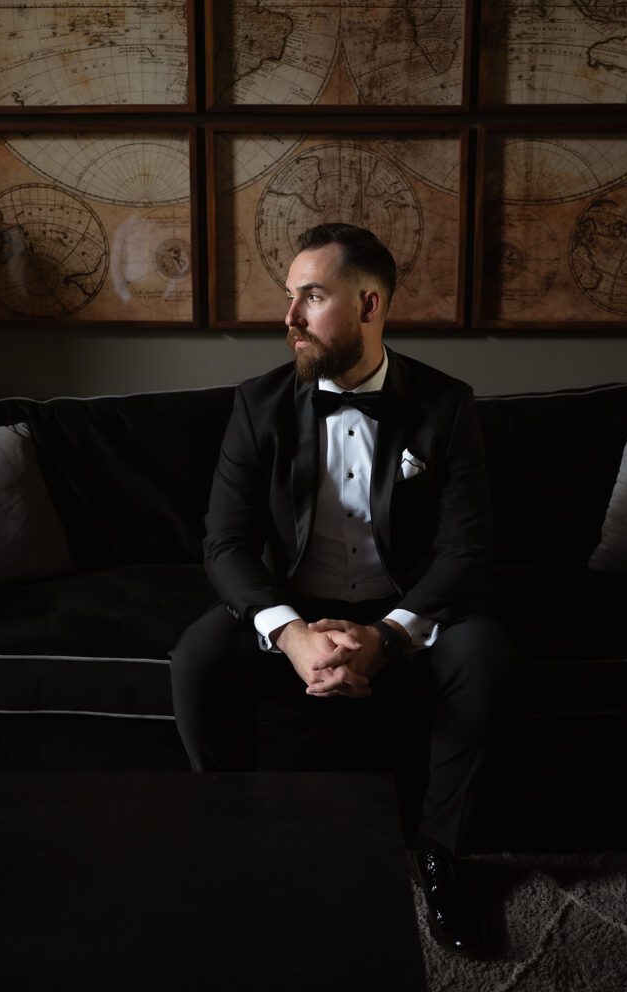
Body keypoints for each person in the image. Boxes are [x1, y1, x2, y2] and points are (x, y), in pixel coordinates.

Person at [170, 223, 517, 958]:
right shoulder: (257, 404)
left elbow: (466, 551)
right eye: (289, 297)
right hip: (295, 600)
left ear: (367, 304)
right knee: (197, 658)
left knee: (483, 655)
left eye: (311, 297)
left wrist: (387, 638)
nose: (289, 317)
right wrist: (292, 635)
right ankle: (237, 843)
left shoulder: (445, 405)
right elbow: (225, 544)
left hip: (405, 603)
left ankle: (440, 854)